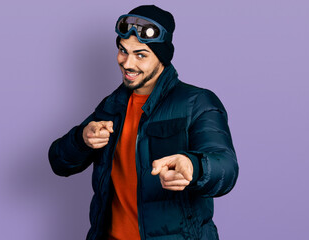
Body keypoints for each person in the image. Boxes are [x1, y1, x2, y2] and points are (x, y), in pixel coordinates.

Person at [49, 5, 238, 240]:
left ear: (162, 57)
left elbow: (227, 168)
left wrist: (195, 166)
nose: (128, 63)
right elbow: (59, 162)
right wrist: (82, 138)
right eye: (122, 50)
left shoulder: (197, 102)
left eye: (141, 55)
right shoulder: (112, 106)